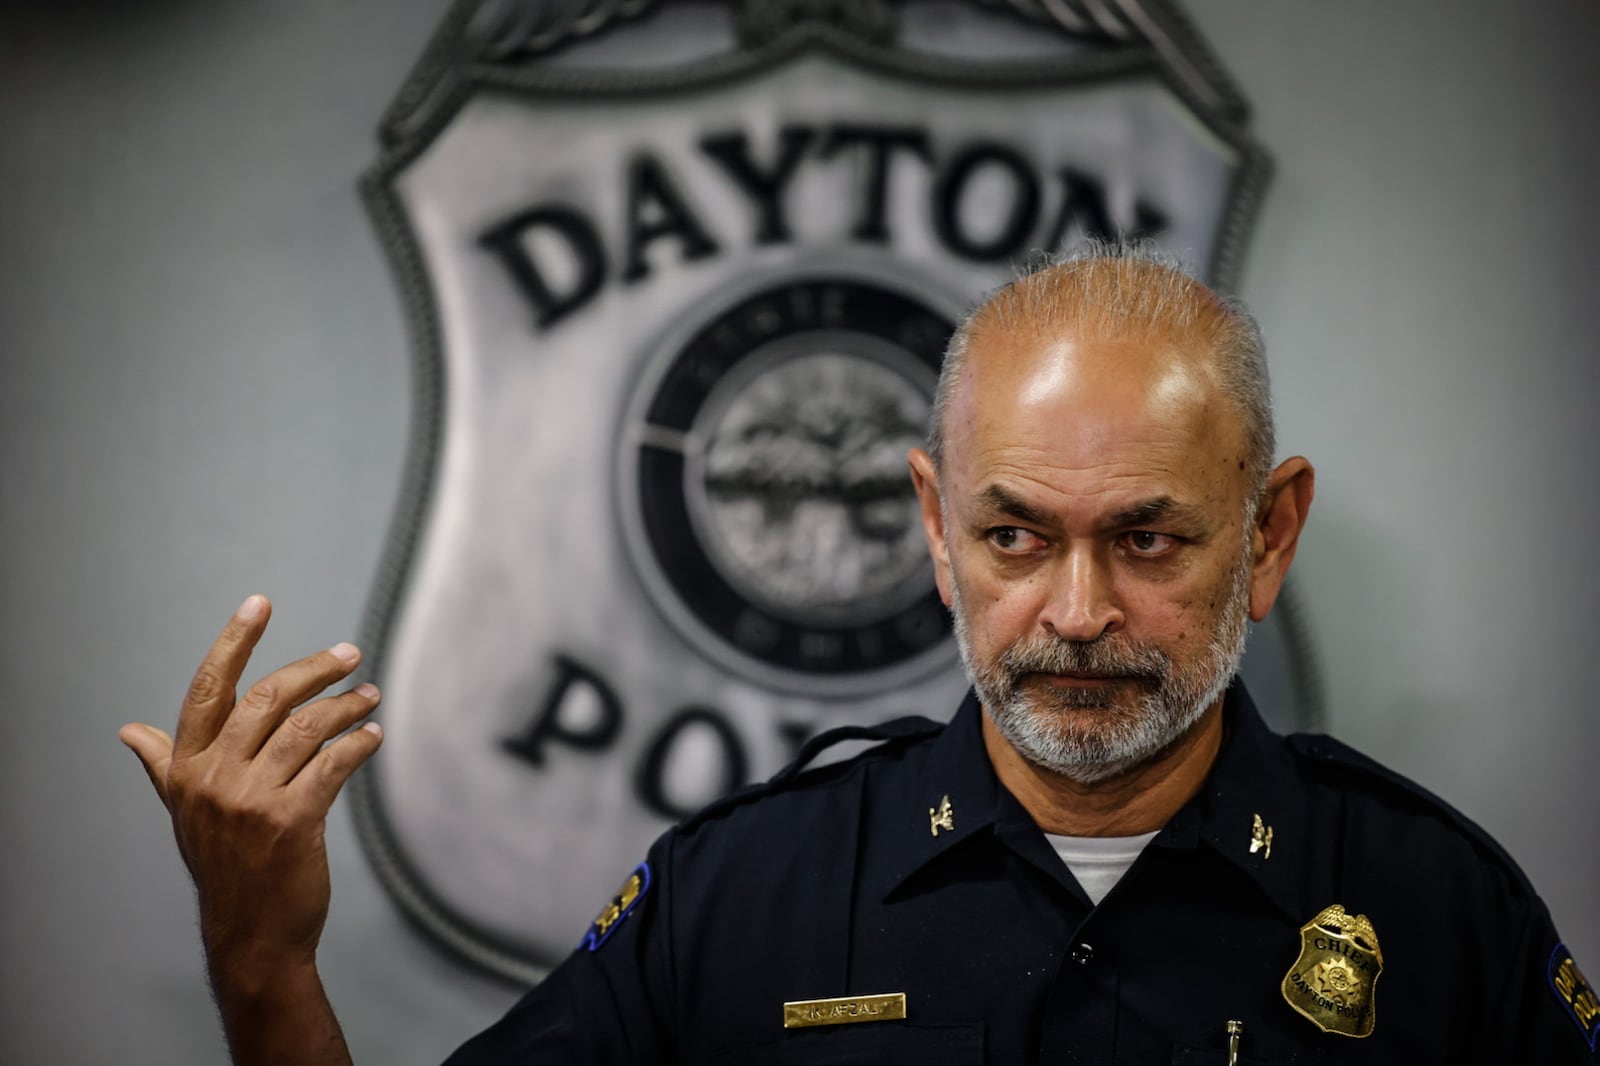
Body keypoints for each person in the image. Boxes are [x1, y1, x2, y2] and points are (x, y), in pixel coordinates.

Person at [121, 245, 1597, 1064]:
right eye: (1016, 536)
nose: (1077, 610)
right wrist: (262, 959)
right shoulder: (736, 897)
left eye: (1149, 540)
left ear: (1269, 537)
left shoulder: (1439, 908)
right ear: (936, 528)